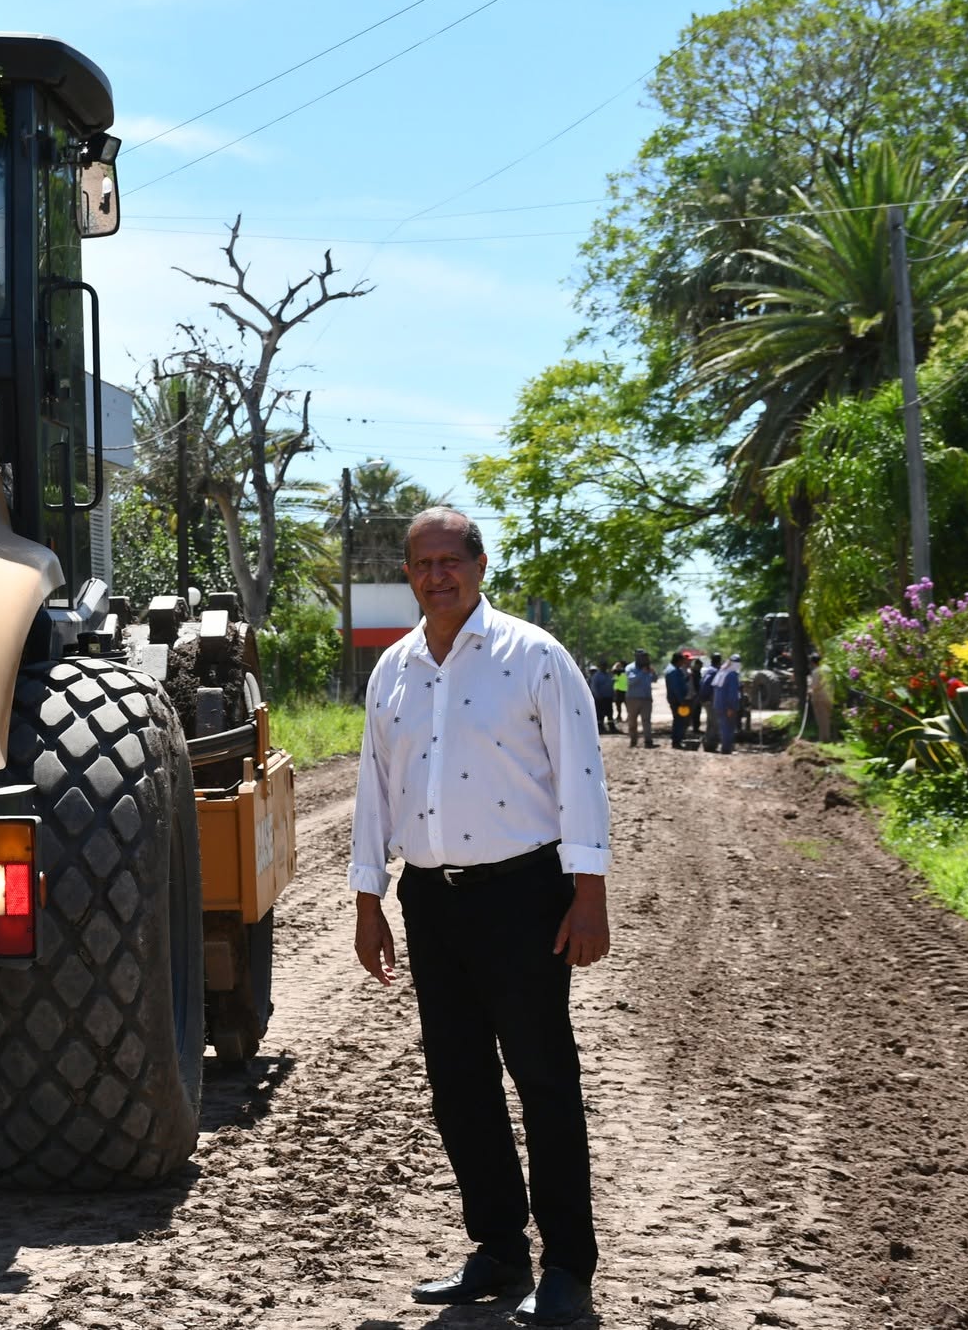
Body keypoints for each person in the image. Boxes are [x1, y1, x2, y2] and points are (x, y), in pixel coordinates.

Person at [350, 507, 610, 1326]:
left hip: (522, 896)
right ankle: (498, 1249)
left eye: (449, 560)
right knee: (459, 1084)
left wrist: (589, 891)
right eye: (421, 563)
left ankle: (568, 1265)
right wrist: (370, 898)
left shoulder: (533, 655)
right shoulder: (392, 669)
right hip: (432, 899)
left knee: (542, 1077)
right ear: (409, 573)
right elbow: (372, 789)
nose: (436, 575)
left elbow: (581, 773)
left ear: (480, 563)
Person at [625, 650, 657, 748]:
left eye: (646, 657)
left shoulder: (648, 668)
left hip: (646, 699)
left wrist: (653, 673)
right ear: (637, 657)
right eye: (642, 657)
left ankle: (648, 741)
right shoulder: (630, 668)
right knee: (632, 721)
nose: (645, 659)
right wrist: (642, 673)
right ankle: (633, 740)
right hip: (632, 699)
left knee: (646, 721)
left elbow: (654, 680)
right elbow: (630, 681)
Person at [806, 651, 838, 741]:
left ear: (812, 662)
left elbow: (815, 686)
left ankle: (824, 739)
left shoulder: (816, 671)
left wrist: (809, 689)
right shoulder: (828, 669)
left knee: (821, 719)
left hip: (819, 698)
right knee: (827, 718)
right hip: (829, 696)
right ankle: (827, 737)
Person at [714, 653, 743, 753]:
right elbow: (732, 693)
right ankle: (726, 749)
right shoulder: (732, 675)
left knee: (723, 726)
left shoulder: (722, 672)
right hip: (727, 706)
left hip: (719, 704)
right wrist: (731, 707)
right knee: (728, 727)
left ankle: (725, 747)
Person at [664, 651, 692, 750]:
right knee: (679, 720)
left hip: (675, 698)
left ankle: (676, 740)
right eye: (682, 661)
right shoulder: (673, 671)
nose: (683, 663)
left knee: (678, 720)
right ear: (678, 660)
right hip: (677, 700)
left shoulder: (672, 669)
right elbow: (676, 688)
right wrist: (681, 700)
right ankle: (676, 741)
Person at [589, 659, 614, 735]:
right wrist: (597, 696)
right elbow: (594, 687)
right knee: (600, 714)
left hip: (608, 697)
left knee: (609, 713)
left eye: (605, 665)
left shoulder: (608, 675)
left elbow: (611, 685)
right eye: (603, 665)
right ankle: (600, 728)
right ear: (600, 666)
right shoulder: (596, 676)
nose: (604, 667)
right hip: (600, 698)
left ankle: (612, 727)